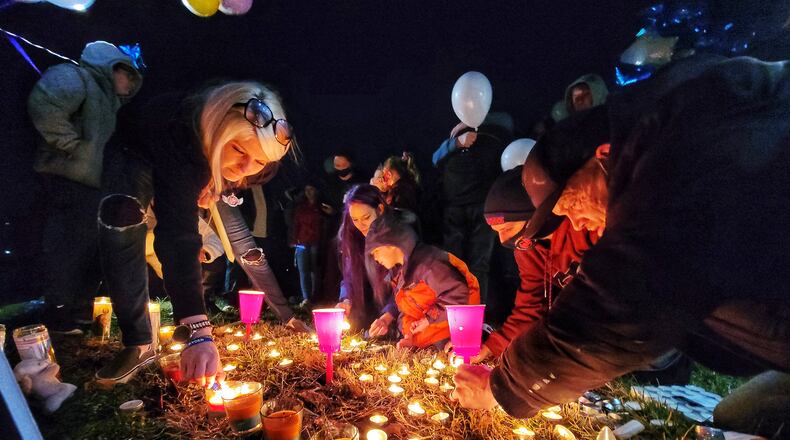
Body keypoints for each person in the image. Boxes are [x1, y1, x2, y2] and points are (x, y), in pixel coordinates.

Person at [451, 56, 790, 438]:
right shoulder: (671, 128)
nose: (576, 221)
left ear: (603, 157)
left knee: (747, 422)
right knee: (739, 418)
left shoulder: (678, 156)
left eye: (572, 204)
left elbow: (621, 299)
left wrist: (502, 387)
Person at [95, 81, 309, 386]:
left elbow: (235, 212)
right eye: (237, 150)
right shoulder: (181, 136)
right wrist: (198, 330)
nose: (247, 166)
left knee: (221, 240)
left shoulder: (252, 164)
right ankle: (138, 340)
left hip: (197, 165)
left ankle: (194, 310)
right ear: (218, 133)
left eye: (259, 160)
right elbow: (178, 234)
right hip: (133, 151)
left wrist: (215, 180)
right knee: (121, 218)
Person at [27, 41, 143, 333]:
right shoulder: (76, 77)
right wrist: (71, 147)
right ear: (113, 68)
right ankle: (58, 312)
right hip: (66, 178)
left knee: (90, 245)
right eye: (128, 76)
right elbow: (44, 104)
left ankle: (79, 309)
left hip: (91, 182)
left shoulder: (108, 102)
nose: (130, 85)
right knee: (67, 245)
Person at [365, 212, 480, 349]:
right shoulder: (400, 274)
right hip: (431, 331)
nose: (375, 258)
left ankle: (481, 333)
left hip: (454, 331)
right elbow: (407, 309)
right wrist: (408, 335)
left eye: (376, 251)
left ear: (391, 244)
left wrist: (427, 319)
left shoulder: (429, 266)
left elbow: (459, 295)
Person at [432, 112, 514, 303]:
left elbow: (506, 123)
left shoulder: (494, 137)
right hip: (455, 210)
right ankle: (453, 313)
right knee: (455, 264)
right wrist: (456, 143)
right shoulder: (454, 142)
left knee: (479, 265)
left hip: (484, 210)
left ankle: (476, 316)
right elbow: (435, 158)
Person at [334, 184, 393, 332]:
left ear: (380, 209)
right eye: (355, 219)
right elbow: (349, 276)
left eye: (366, 218)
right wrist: (346, 299)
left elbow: (406, 285)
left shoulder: (398, 237)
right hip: (367, 315)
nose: (361, 225)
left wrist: (389, 315)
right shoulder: (352, 237)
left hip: (398, 312)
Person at [291, 183, 323, 307]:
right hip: (302, 242)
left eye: (311, 189)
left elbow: (323, 223)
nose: (309, 192)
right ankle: (306, 298)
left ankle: (315, 296)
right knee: (303, 270)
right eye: (307, 190)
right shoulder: (301, 206)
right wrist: (294, 240)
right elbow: (295, 224)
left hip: (316, 241)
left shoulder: (320, 206)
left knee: (315, 270)